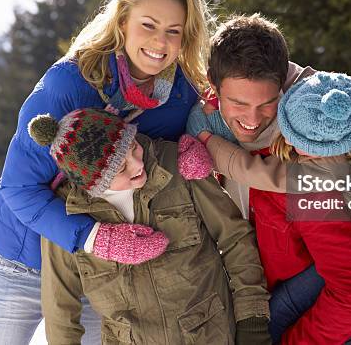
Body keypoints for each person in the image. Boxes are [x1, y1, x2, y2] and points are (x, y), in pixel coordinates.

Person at [0, 0, 213, 344]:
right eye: (148, 25)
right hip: (18, 257)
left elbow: (165, 156)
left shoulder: (180, 95)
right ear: (122, 22)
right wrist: (96, 238)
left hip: (94, 275)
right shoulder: (71, 83)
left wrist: (191, 147)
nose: (159, 41)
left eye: (173, 30)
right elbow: (20, 187)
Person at [185, 14, 351, 343]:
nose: (251, 118)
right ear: (213, 90)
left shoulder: (308, 154)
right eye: (238, 103)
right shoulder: (216, 125)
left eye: (267, 103)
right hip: (291, 309)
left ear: (283, 90)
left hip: (339, 330)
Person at [28, 108, 270, 344]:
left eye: (133, 146)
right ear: (93, 184)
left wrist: (252, 319)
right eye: (121, 168)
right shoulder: (67, 215)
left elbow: (234, 237)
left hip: (209, 334)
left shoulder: (176, 165)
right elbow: (60, 305)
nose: (137, 165)